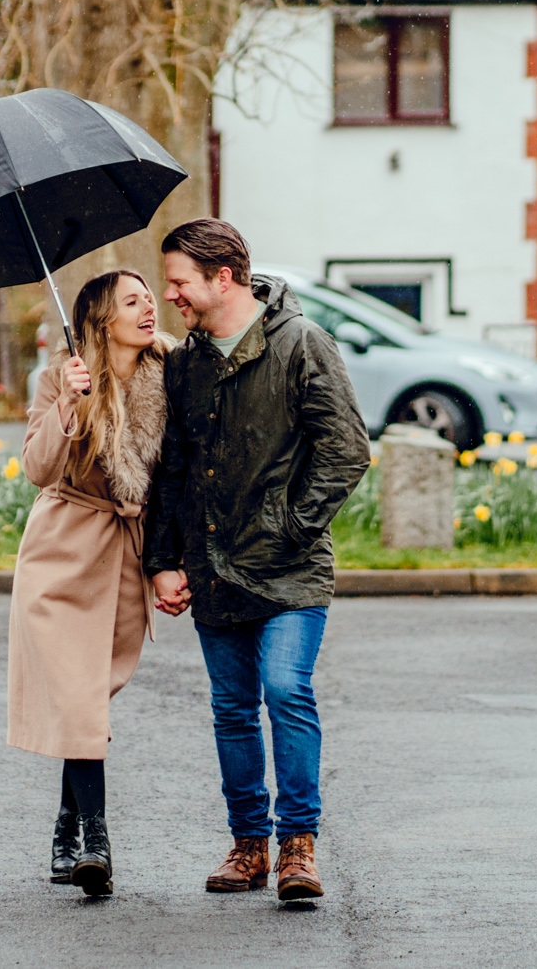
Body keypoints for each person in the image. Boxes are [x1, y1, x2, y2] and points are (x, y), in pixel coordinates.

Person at [145, 219, 368, 906]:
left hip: (291, 566)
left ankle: (298, 844)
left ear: (224, 275)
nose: (172, 293)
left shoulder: (302, 344)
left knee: (285, 689)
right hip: (212, 565)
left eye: (180, 280)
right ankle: (249, 845)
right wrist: (162, 560)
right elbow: (171, 469)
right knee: (233, 709)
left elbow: (347, 449)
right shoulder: (184, 364)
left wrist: (290, 524)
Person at [6, 267, 171, 898]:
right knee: (78, 700)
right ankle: (94, 840)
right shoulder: (62, 375)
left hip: (126, 551)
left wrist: (165, 562)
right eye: (133, 301)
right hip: (61, 552)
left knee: (88, 701)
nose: (149, 307)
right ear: (102, 321)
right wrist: (71, 402)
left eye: (149, 296)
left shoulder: (168, 370)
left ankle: (64, 826)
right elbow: (36, 466)